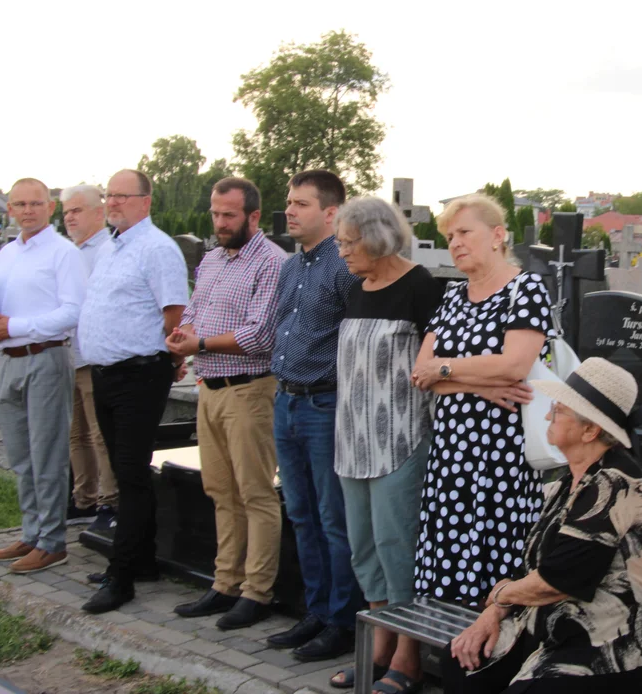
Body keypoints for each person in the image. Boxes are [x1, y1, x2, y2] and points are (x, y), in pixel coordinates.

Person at [445, 357, 642, 694]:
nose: (546, 415)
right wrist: (494, 612)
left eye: (557, 410)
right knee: (463, 661)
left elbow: (555, 583)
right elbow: (539, 572)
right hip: (558, 625)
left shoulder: (613, 484)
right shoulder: (571, 480)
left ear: (590, 430)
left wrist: (499, 595)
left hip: (618, 640)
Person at [325, 197, 445, 693]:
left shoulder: (419, 287)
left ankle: (409, 655)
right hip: (352, 437)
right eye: (339, 243)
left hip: (400, 437)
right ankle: (379, 644)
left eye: (348, 243)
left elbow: (432, 366)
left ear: (376, 238)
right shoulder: (357, 289)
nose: (342, 253)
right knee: (365, 549)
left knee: (398, 548)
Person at [410, 193, 551, 606]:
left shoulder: (526, 289)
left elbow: (514, 366)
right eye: (450, 235)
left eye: (464, 232)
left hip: (500, 457)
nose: (455, 242)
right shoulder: (453, 296)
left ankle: (490, 652)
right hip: (451, 454)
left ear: (497, 235)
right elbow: (421, 371)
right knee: (447, 550)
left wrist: (446, 371)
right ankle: (445, 649)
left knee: (495, 556)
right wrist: (478, 383)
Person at [166, 177, 284, 630]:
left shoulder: (271, 263)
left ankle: (257, 592)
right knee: (220, 491)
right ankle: (225, 583)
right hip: (208, 387)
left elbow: (260, 335)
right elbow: (194, 308)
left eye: (228, 215)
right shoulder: (213, 259)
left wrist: (199, 343)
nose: (219, 223)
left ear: (253, 216)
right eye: (216, 214)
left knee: (255, 493)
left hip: (250, 389)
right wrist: (181, 340)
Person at [78, 169, 190, 614]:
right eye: (109, 196)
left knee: (130, 471)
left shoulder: (157, 248)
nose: (112, 203)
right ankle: (140, 560)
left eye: (122, 196)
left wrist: (163, 354)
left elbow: (175, 312)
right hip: (106, 373)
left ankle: (120, 577)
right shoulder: (113, 245)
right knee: (128, 473)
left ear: (146, 201)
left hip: (138, 374)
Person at [265, 170, 364, 662]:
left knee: (332, 518)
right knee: (300, 513)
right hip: (285, 400)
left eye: (301, 203)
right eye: (289, 202)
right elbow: (278, 327)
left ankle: (342, 621)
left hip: (325, 404)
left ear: (330, 212)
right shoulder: (289, 266)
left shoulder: (346, 267)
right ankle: (316, 610)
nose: (290, 210)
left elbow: (359, 340)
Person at [0, 178, 87, 573]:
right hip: (7, 359)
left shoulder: (63, 253)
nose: (28, 211)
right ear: (9, 209)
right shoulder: (7, 254)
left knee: (47, 453)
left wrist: (16, 326)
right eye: (20, 204)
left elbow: (72, 311)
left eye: (36, 203)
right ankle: (31, 531)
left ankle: (53, 541)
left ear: (51, 208)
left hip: (44, 357)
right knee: (20, 454)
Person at [61, 184, 117, 532]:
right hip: (68, 355)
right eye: (66, 211)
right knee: (75, 433)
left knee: (100, 434)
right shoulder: (69, 252)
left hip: (94, 356)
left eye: (77, 210)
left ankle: (108, 501)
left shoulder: (107, 251)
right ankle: (83, 499)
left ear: (99, 213)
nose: (69, 216)